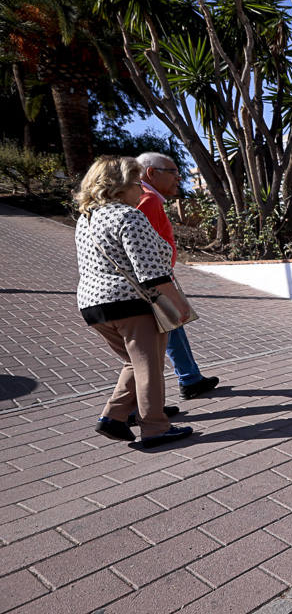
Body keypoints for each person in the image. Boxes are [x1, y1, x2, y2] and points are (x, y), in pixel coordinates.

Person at [75, 156, 194, 446]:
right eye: (137, 184)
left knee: (135, 363)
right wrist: (179, 305)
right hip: (130, 303)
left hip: (93, 305)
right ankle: (155, 428)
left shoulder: (86, 218)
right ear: (118, 186)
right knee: (150, 367)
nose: (142, 191)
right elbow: (151, 273)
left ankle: (113, 418)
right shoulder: (130, 216)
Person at [135, 153, 220, 400]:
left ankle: (190, 378)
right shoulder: (147, 200)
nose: (179, 177)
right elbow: (141, 247)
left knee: (173, 328)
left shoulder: (148, 198)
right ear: (152, 173)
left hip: (156, 278)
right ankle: (131, 410)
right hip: (154, 281)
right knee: (157, 339)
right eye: (173, 172)